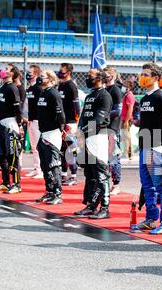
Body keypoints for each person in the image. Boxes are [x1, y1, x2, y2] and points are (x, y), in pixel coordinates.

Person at [134, 63, 162, 235]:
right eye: (141, 73)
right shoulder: (144, 99)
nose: (142, 76)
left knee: (161, 186)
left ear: (155, 77)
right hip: (145, 148)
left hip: (158, 149)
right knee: (147, 186)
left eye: (146, 74)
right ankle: (151, 219)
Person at [74, 68, 112, 219]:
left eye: (90, 76)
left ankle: (105, 207)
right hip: (86, 137)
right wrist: (79, 132)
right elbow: (83, 116)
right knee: (89, 172)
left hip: (98, 137)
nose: (87, 78)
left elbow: (99, 120)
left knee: (101, 173)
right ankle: (91, 204)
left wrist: (83, 131)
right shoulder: (90, 95)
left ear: (100, 78)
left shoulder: (105, 95)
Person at [35, 70, 66, 205]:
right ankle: (49, 191)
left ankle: (58, 193)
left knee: (53, 165)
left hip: (52, 133)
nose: (40, 78)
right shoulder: (43, 93)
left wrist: (61, 129)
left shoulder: (53, 93)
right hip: (43, 132)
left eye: (43, 76)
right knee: (44, 165)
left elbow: (61, 115)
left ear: (50, 79)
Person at [0, 64, 23, 194]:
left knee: (13, 156)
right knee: (1, 156)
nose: (4, 70)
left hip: (11, 124)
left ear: (12, 73)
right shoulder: (2, 88)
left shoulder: (12, 88)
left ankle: (17, 184)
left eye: (7, 69)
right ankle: (6, 182)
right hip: (1, 123)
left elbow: (18, 109)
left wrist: (19, 125)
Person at [57, 63, 81, 186]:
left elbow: (77, 107)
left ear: (69, 72)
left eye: (63, 71)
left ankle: (74, 176)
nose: (60, 73)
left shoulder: (71, 86)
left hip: (70, 123)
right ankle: (63, 174)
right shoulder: (60, 85)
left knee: (71, 149)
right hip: (62, 122)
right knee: (62, 149)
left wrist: (75, 123)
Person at [104, 66, 123, 195]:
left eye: (106, 75)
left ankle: (116, 184)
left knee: (114, 156)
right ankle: (107, 182)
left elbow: (118, 110)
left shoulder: (115, 90)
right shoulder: (104, 89)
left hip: (112, 127)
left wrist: (103, 114)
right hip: (103, 127)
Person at [24, 64, 44, 179]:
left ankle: (40, 169)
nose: (28, 74)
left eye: (30, 72)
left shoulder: (38, 88)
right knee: (33, 146)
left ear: (36, 74)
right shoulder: (30, 88)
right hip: (31, 120)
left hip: (37, 120)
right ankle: (36, 168)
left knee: (37, 146)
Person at [120, 79, 135, 160]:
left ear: (128, 87)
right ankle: (130, 154)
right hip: (124, 118)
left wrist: (126, 121)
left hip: (126, 119)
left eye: (125, 85)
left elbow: (130, 109)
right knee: (126, 136)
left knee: (126, 136)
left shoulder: (129, 95)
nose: (123, 87)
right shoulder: (127, 95)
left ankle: (126, 154)